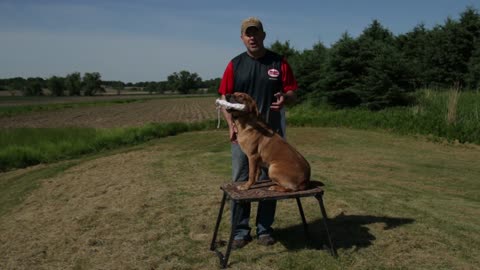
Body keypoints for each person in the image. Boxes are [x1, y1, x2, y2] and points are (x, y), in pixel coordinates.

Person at [218, 17, 298, 249]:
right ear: (242, 38)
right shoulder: (235, 64)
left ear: (263, 35)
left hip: (271, 136)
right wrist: (231, 126)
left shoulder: (278, 62)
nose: (252, 37)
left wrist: (287, 97)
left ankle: (265, 229)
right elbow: (224, 98)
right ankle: (241, 231)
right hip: (242, 136)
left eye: (256, 33)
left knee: (269, 182)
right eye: (247, 34)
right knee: (241, 181)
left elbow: (293, 91)